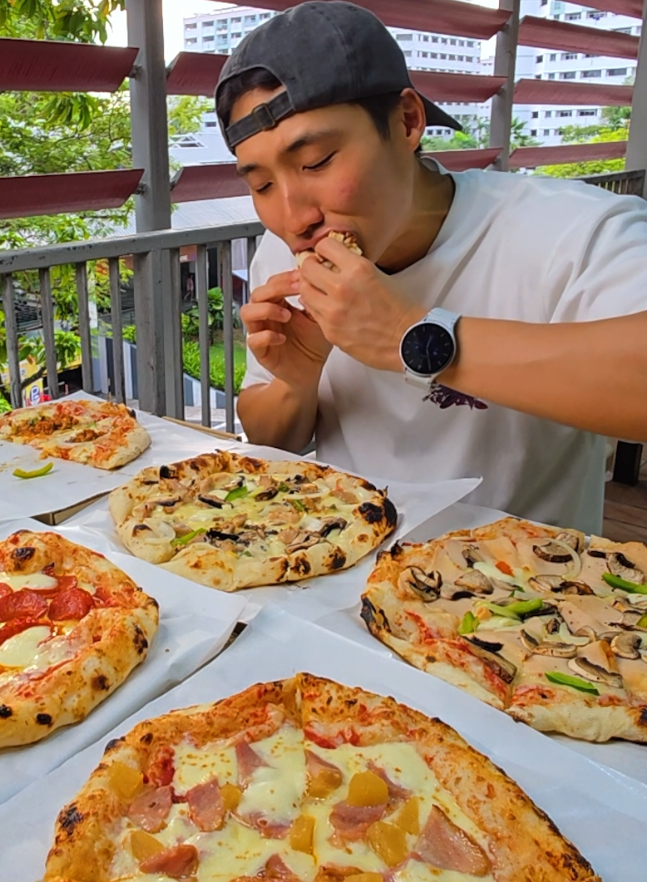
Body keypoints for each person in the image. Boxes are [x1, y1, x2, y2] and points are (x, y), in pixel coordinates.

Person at [214, 1, 647, 533]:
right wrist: (297, 383)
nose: (293, 216)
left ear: (407, 121)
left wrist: (412, 335)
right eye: (261, 185)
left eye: (317, 163)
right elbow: (267, 437)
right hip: (337, 566)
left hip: (520, 592)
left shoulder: (571, 229)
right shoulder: (281, 248)